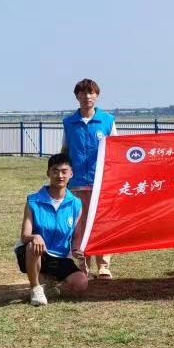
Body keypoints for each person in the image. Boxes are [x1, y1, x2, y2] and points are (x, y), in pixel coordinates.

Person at [14, 153, 89, 306]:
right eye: (55, 171)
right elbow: (25, 236)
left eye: (64, 171)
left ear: (71, 174)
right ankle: (36, 288)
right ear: (48, 173)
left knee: (81, 284)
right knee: (33, 244)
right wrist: (35, 237)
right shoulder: (33, 201)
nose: (60, 176)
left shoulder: (76, 203)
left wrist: (77, 251)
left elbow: (76, 235)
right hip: (35, 253)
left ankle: (50, 283)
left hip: (60, 257)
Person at [61, 78, 117, 279]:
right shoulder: (69, 123)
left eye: (91, 92)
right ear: (77, 96)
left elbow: (116, 150)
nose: (87, 97)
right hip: (77, 184)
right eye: (83, 93)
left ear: (97, 95)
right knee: (79, 226)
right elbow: (65, 151)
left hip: (101, 182)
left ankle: (104, 265)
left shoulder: (107, 120)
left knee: (101, 224)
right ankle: (82, 265)